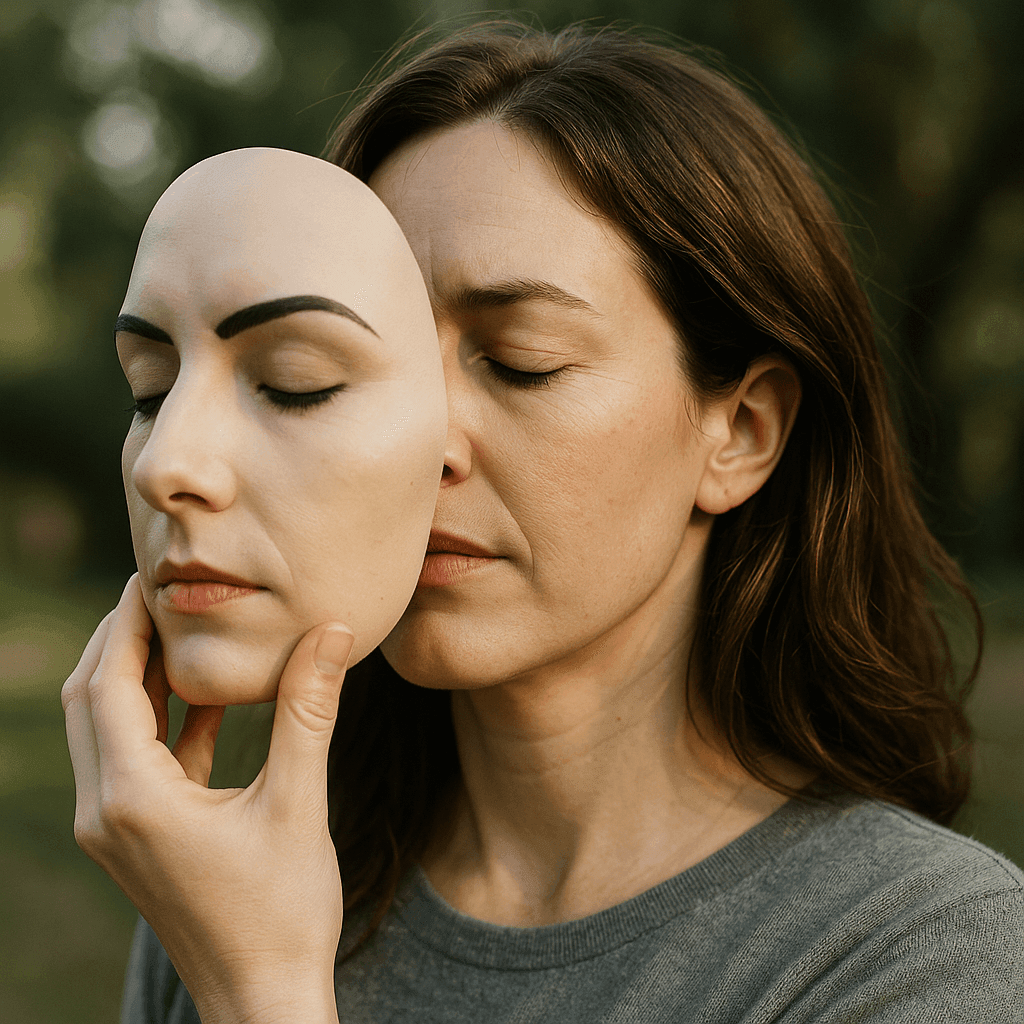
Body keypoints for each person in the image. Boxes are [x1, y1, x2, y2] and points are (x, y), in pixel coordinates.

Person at [63, 22, 1023, 1024]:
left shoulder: (919, 955)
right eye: (327, 379)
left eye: (520, 359)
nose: (420, 438)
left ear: (738, 430)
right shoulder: (236, 883)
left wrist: (261, 992)